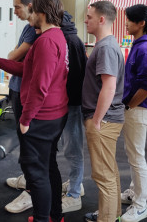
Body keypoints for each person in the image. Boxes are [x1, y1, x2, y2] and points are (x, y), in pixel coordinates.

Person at [0, 0, 69, 222]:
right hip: (53, 114)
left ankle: (44, 218)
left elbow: (40, 86)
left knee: (37, 172)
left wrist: (25, 120)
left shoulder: (47, 41)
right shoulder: (55, 37)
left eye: (30, 10)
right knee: (48, 167)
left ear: (40, 12)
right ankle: (54, 215)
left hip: (42, 118)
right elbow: (27, 70)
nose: (26, 14)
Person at [82, 1, 125, 222]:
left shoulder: (106, 47)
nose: (85, 20)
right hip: (107, 119)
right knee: (109, 172)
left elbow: (109, 87)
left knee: (103, 176)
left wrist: (96, 120)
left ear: (101, 19)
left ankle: (107, 218)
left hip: (104, 120)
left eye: (89, 17)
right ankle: (113, 215)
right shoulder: (105, 45)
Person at [119, 4, 147, 222]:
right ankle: (135, 192)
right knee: (133, 154)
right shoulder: (143, 44)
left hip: (138, 108)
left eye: (129, 20)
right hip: (136, 107)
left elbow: (146, 85)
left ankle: (141, 205)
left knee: (136, 157)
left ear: (141, 23)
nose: (125, 23)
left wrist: (128, 105)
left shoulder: (145, 48)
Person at [3, 0, 39, 214]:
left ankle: (32, 190)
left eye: (17, 6)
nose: (14, 11)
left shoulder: (37, 33)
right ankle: (28, 180)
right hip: (18, 89)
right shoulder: (28, 29)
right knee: (25, 140)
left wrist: (10, 54)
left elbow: (13, 57)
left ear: (30, 5)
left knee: (30, 143)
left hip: (26, 94)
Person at [60, 11, 88, 213]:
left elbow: (77, 74)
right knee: (69, 146)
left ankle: (74, 192)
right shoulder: (69, 38)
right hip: (69, 102)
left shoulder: (70, 40)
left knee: (73, 148)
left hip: (72, 103)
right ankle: (75, 183)